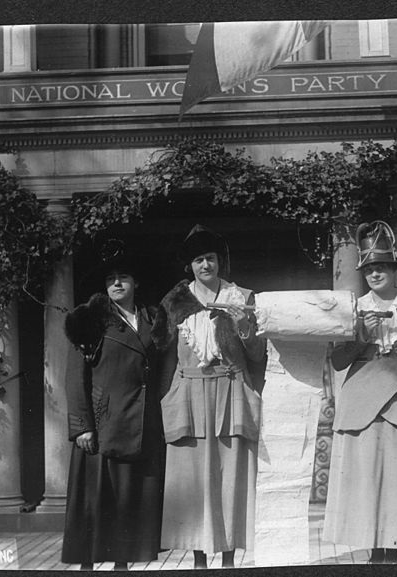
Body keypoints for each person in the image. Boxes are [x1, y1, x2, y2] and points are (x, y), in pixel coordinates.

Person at [151, 224, 267, 569]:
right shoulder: (174, 303)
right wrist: (169, 396)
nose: (206, 266)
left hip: (230, 389)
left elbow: (258, 354)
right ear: (190, 265)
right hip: (189, 393)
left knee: (231, 473)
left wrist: (243, 325)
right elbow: (164, 356)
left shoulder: (241, 297)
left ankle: (229, 557)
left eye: (211, 258)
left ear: (220, 262)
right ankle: (199, 557)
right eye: (199, 260)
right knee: (193, 477)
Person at [323, 221, 397, 564]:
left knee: (396, 477)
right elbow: (337, 360)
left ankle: (392, 551)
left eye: (381, 267)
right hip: (360, 400)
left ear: (394, 268)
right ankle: (371, 552)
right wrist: (361, 337)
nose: (375, 274)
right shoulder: (352, 308)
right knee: (364, 478)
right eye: (369, 269)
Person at [61, 242, 165, 570]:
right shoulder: (91, 319)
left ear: (136, 283)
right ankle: (89, 568)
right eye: (111, 279)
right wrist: (82, 426)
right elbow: (74, 376)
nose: (117, 284)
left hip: (142, 424)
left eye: (123, 278)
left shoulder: (153, 319)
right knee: (97, 505)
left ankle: (123, 566)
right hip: (104, 428)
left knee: (132, 508)